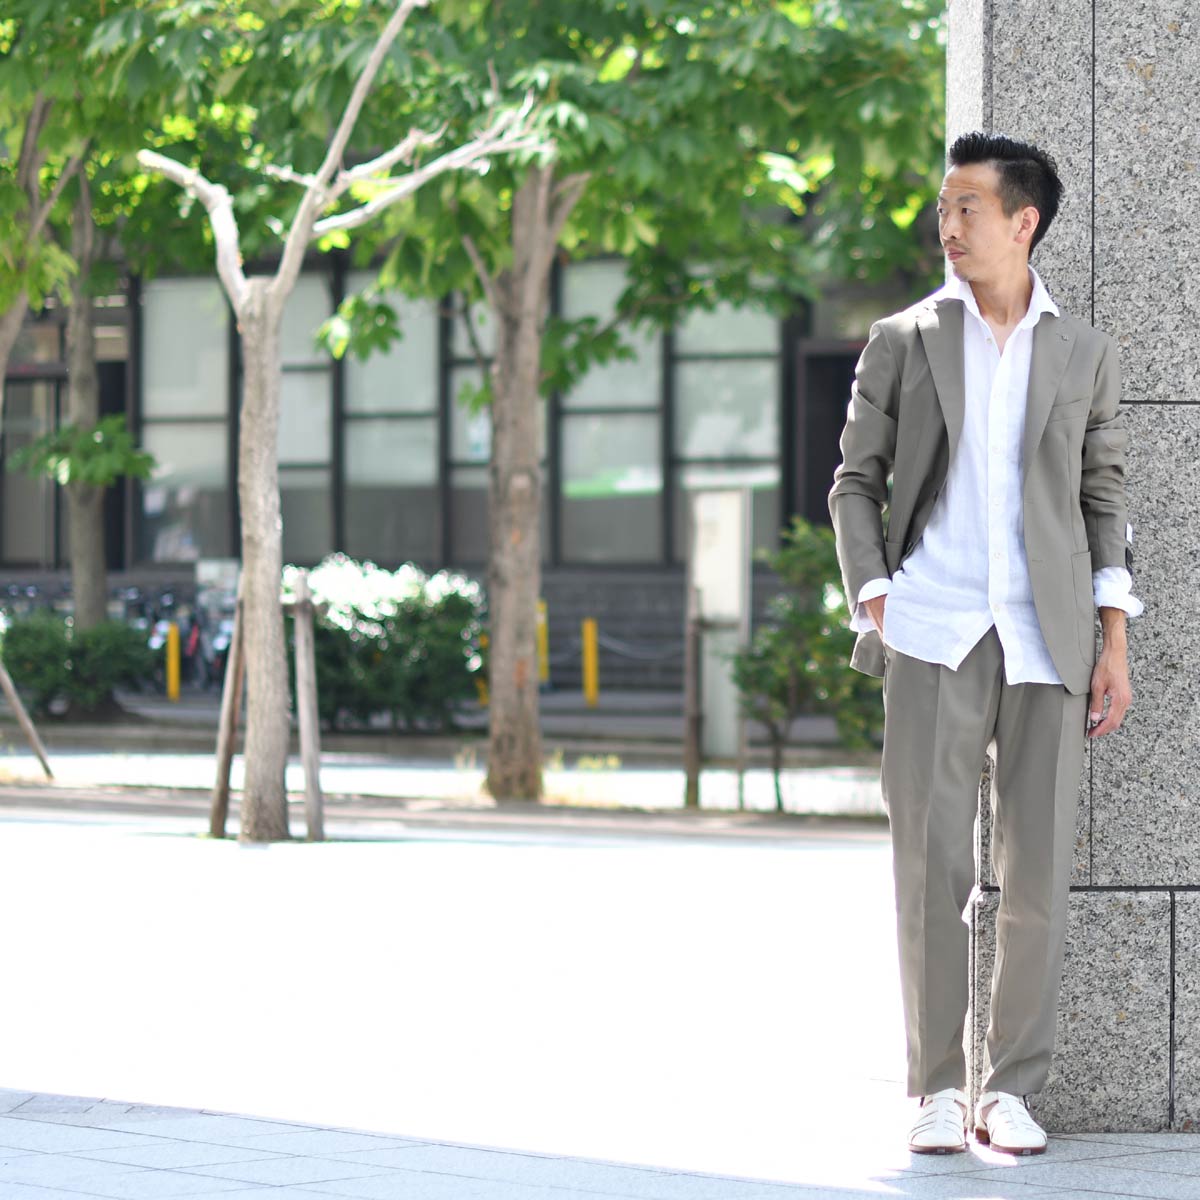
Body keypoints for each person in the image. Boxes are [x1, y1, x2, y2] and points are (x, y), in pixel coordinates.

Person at [828, 131, 1142, 1157]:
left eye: (968, 206)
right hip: (933, 628)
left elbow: (1102, 499)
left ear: (1023, 221)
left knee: (1036, 871)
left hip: (1049, 637)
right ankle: (932, 1087)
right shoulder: (905, 339)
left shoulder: (1081, 351)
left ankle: (1009, 1089)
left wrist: (1112, 638)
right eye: (943, 206)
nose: (948, 224)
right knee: (929, 867)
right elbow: (855, 482)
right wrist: (876, 594)